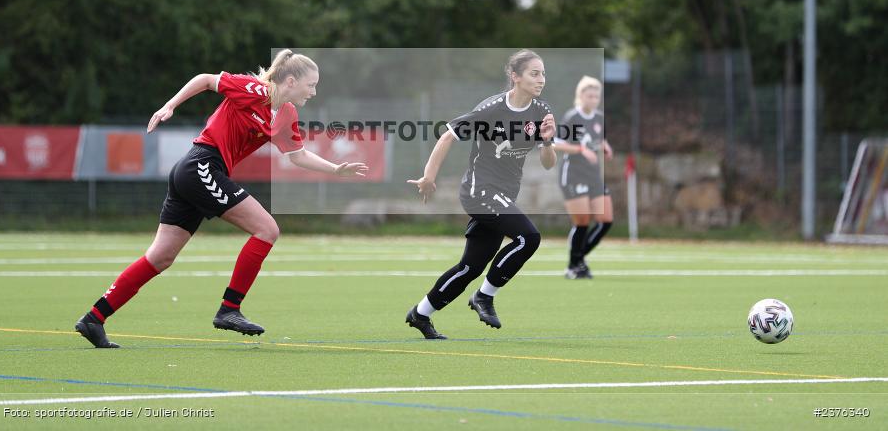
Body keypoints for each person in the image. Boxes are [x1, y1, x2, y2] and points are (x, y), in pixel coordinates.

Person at [74, 49, 368, 348]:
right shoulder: (255, 90)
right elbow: (205, 80)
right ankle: (230, 308)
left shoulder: (287, 113)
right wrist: (170, 106)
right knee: (267, 229)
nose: (314, 92)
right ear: (291, 81)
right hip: (201, 165)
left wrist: (336, 169)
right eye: (311, 85)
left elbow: (297, 155)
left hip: (197, 173)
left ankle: (94, 318)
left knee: (161, 256)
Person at [405, 50, 556, 339]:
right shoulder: (491, 109)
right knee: (529, 238)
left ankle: (420, 313)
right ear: (515, 76)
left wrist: (548, 142)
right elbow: (448, 134)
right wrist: (428, 177)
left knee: (470, 266)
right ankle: (484, 297)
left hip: (504, 195)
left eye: (543, 73)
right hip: (479, 191)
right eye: (534, 73)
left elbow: (549, 164)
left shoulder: (541, 110)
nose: (541, 79)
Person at [554, 76, 614, 279]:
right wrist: (580, 149)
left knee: (606, 220)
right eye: (590, 95)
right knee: (582, 222)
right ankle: (574, 266)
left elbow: (599, 138)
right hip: (573, 174)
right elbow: (555, 144)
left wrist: (605, 146)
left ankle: (578, 259)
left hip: (593, 175)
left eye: (597, 96)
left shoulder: (599, 117)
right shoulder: (572, 117)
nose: (594, 99)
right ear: (581, 96)